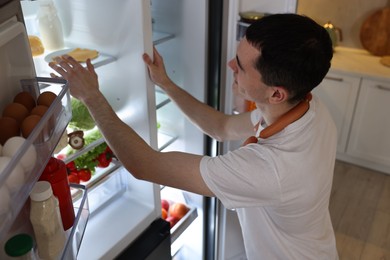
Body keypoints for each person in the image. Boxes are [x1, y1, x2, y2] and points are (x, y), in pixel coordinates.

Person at [49, 13, 338, 260]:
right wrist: (165, 83)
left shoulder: (270, 168)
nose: (230, 66)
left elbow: (144, 164)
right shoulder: (307, 108)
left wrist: (91, 97)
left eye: (240, 64)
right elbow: (221, 127)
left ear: (276, 93)